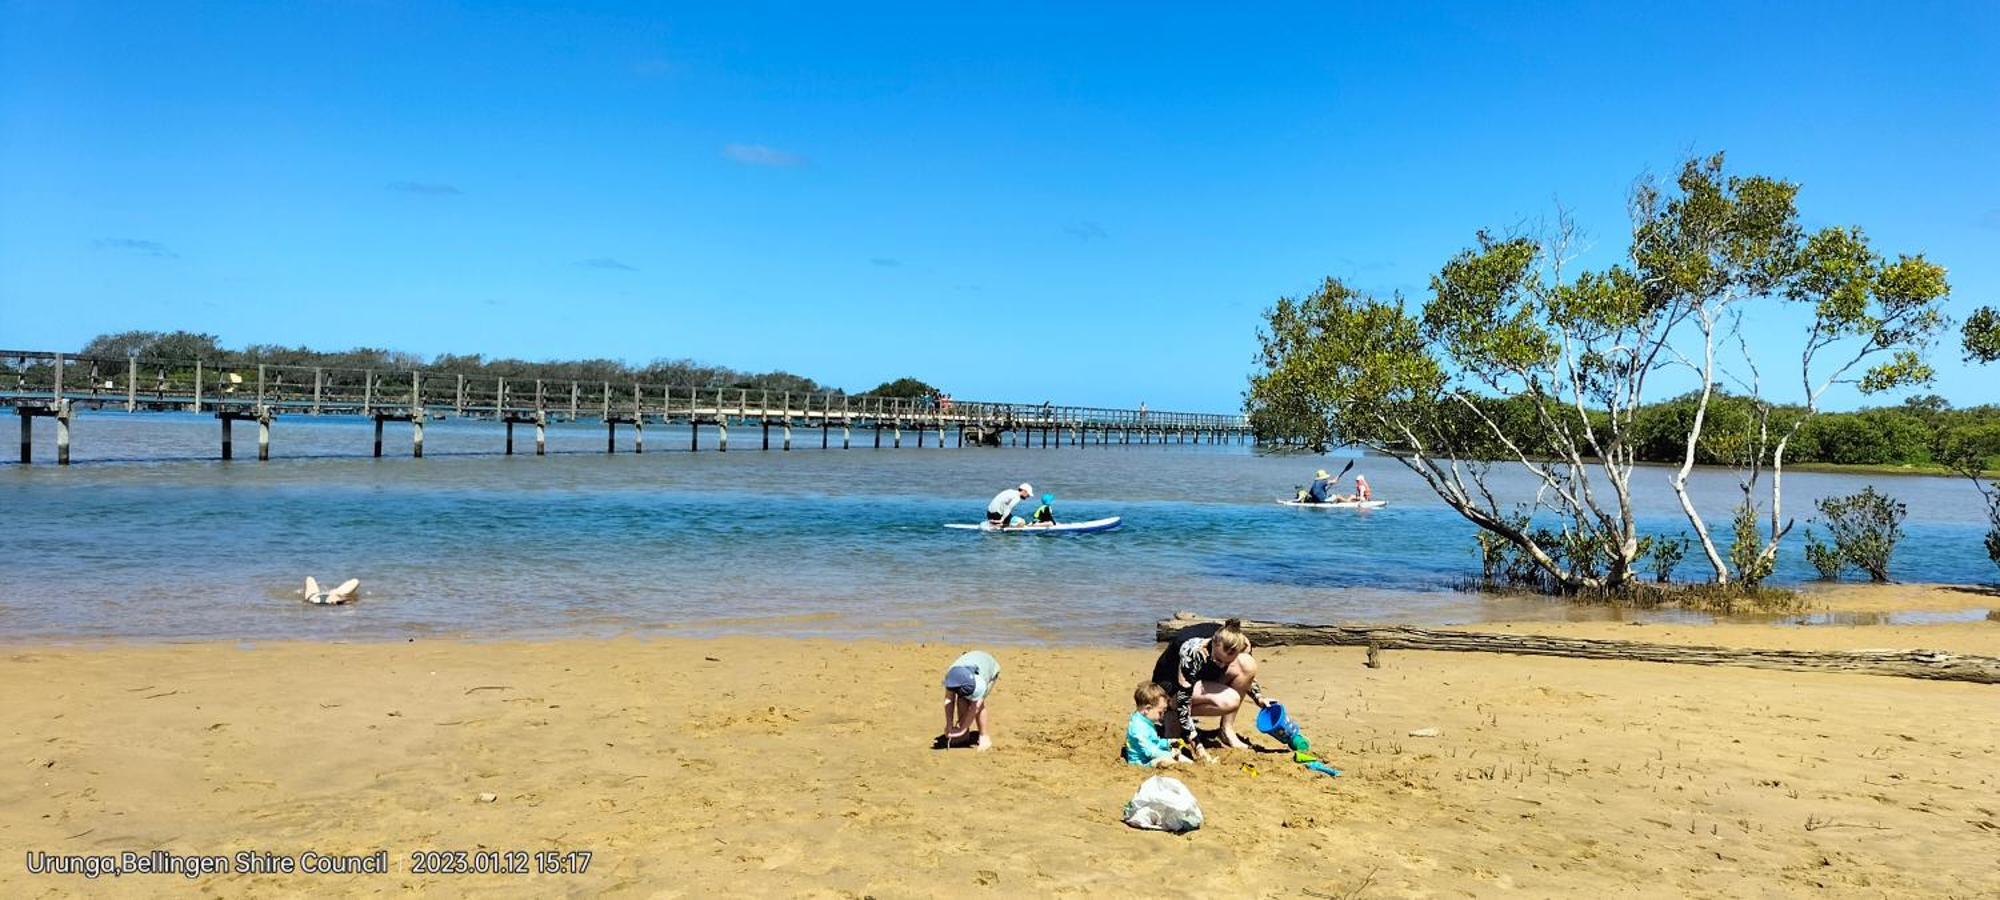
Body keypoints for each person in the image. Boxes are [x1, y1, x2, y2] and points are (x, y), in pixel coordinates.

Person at [1150, 618, 1271, 760]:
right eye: (1218, 659)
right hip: (1169, 686)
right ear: (1213, 643)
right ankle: (1170, 713)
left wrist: (1259, 698)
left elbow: (1246, 677)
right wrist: (1198, 747)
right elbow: (1184, 700)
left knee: (1247, 664)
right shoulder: (1192, 650)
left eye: (1227, 662)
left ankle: (1226, 730)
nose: (1221, 666)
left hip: (1200, 677)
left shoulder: (1241, 643)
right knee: (1229, 700)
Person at [937, 650, 1001, 750]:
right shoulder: (952, 675)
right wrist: (949, 724)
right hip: (971, 663)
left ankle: (984, 736)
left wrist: (961, 729)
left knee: (978, 704)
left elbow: (975, 708)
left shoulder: (981, 682)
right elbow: (949, 700)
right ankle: (964, 736)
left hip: (990, 668)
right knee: (962, 699)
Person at [1124, 682, 1185, 767]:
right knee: (1168, 760)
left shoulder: (1146, 722)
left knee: (1179, 758)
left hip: (1151, 757)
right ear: (1147, 709)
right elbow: (1150, 751)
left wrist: (1168, 743)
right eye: (1160, 712)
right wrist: (1171, 754)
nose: (1163, 716)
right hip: (1142, 764)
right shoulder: (1138, 728)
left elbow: (1154, 742)